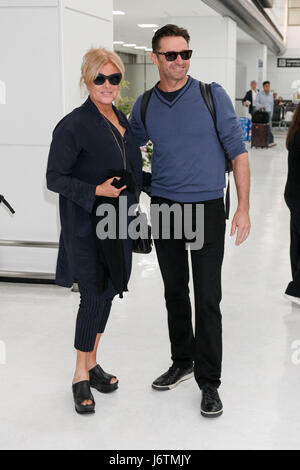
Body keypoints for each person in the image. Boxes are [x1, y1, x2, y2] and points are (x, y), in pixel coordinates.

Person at [130, 24, 251, 418]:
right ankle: (182, 360)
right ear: (156, 59)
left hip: (206, 210)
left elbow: (238, 154)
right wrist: (142, 188)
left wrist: (244, 208)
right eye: (171, 55)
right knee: (174, 292)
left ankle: (210, 382)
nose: (180, 61)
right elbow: (129, 151)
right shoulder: (144, 105)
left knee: (208, 297)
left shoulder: (210, 95)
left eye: (185, 54)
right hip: (165, 208)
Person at [46, 48, 143, 414]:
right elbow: (54, 177)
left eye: (113, 78)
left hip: (119, 224)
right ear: (86, 81)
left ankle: (92, 362)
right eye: (99, 78)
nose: (107, 85)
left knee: (107, 292)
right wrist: (95, 192)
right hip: (86, 228)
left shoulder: (121, 120)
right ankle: (78, 375)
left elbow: (129, 170)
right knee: (91, 297)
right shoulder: (74, 124)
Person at [284, 104, 300, 306]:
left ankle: (296, 286)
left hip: (293, 194)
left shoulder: (295, 131)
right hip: (298, 195)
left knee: (296, 241)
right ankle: (296, 288)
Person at [255, 81, 276, 147]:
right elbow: (256, 103)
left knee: (269, 127)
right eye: (266, 86)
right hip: (262, 113)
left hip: (269, 113)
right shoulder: (259, 94)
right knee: (262, 127)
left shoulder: (271, 95)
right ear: (263, 87)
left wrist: (272, 114)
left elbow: (272, 105)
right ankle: (262, 141)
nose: (268, 88)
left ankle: (270, 141)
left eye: (268, 86)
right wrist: (260, 106)